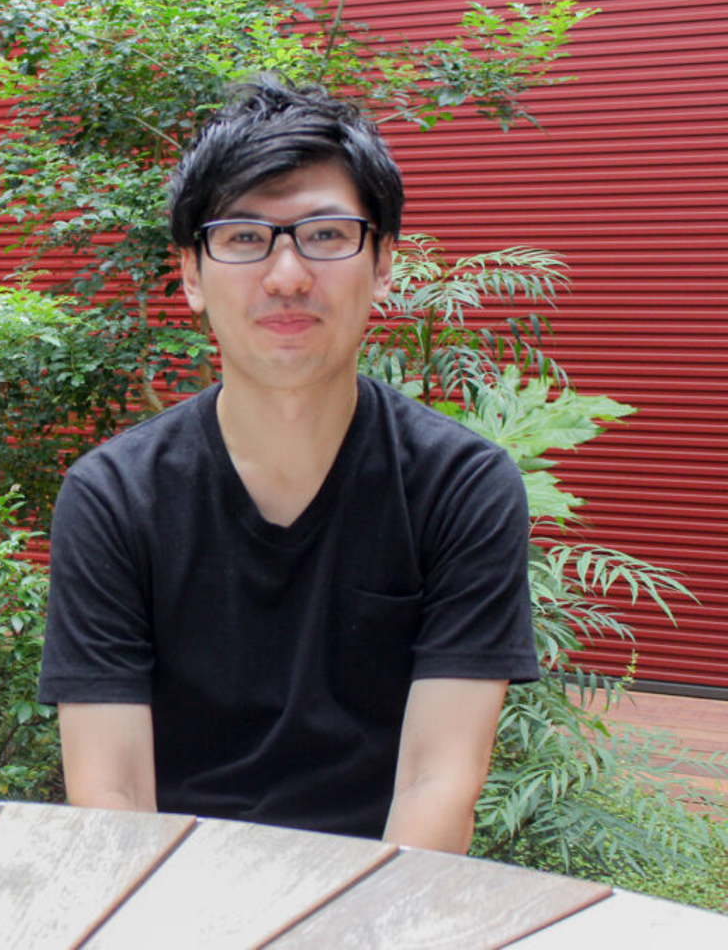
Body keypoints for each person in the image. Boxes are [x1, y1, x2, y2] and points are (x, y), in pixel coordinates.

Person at [37, 78, 538, 853]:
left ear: (383, 263)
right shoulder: (114, 498)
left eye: (327, 234)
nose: (287, 276)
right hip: (171, 891)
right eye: (243, 237)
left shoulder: (459, 488)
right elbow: (115, 793)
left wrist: (365, 917)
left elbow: (437, 782)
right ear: (192, 275)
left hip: (383, 890)